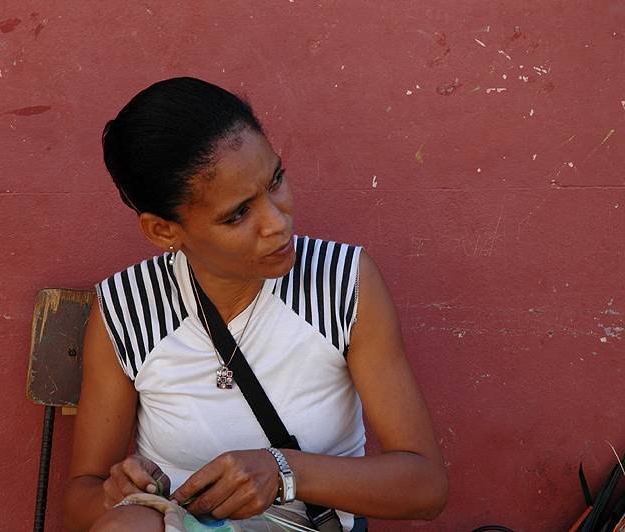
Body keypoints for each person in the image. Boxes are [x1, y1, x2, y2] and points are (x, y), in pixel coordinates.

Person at [63, 77, 448, 532]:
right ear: (164, 231)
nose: (277, 222)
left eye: (276, 180)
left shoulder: (343, 282)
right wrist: (122, 498)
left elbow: (425, 487)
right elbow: (80, 500)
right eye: (238, 214)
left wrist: (285, 471)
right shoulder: (127, 308)